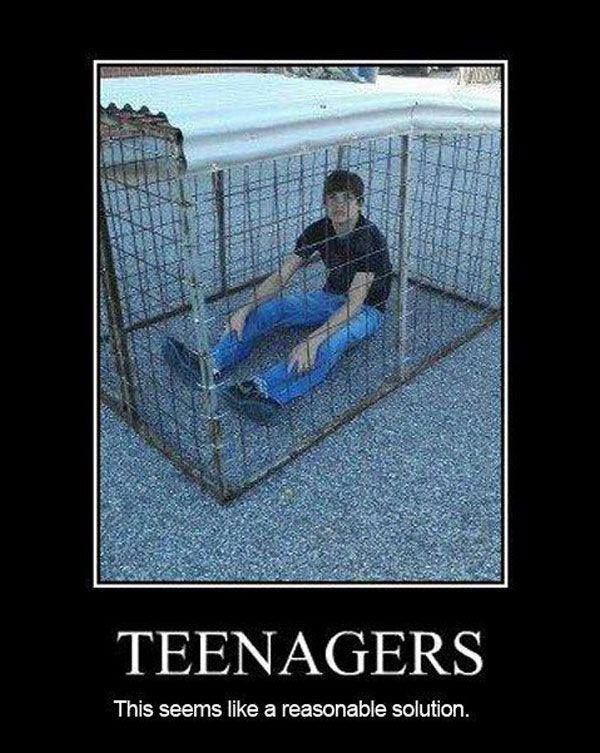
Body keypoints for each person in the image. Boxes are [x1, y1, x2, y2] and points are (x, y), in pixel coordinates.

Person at [163, 170, 392, 423]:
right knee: (270, 309)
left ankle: (266, 392)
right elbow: (282, 276)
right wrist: (244, 309)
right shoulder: (319, 229)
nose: (339, 204)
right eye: (332, 198)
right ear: (324, 203)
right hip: (330, 296)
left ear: (360, 203)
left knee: (327, 345)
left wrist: (311, 341)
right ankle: (210, 364)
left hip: (367, 309)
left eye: (347, 198)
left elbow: (354, 304)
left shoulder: (370, 239)